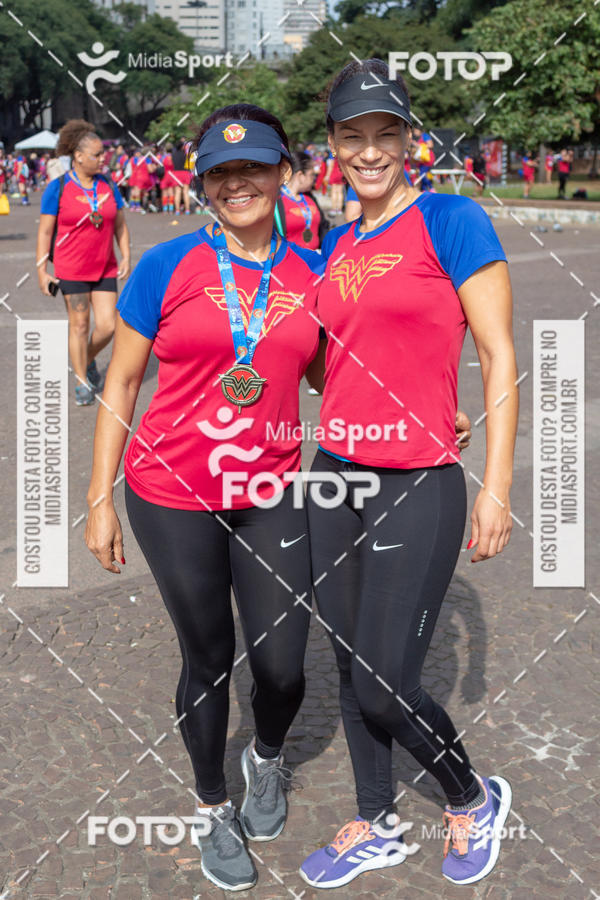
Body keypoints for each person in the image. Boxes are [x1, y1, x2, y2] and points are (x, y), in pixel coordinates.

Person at [84, 104, 326, 893]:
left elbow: (327, 372)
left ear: (282, 173)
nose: (238, 182)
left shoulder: (310, 271)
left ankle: (264, 758)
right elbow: (121, 381)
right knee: (210, 658)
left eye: (254, 166)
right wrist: (98, 496)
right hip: (171, 493)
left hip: (272, 490)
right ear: (204, 184)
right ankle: (212, 806)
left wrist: (422, 411)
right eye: (222, 172)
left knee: (284, 668)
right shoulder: (167, 265)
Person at [299, 58, 518, 890]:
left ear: (409, 140)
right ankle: (377, 817)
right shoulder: (335, 240)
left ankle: (471, 796)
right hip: (335, 475)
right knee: (350, 658)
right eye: (352, 137)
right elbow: (332, 367)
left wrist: (495, 484)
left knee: (385, 680)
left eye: (384, 134)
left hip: (416, 479)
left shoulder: (451, 219)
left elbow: (498, 356)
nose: (369, 151)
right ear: (333, 147)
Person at [37, 119, 131, 405]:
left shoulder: (108, 184)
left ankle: (86, 359)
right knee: (79, 324)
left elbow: (120, 225)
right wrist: (41, 270)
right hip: (71, 267)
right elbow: (44, 231)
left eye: (103, 154)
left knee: (109, 326)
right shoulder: (59, 187)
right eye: (97, 155)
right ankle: (81, 379)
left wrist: (126, 254)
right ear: (78, 157)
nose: (103, 159)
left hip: (104, 266)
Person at [275, 150, 327, 249]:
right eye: (312, 175)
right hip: (290, 260)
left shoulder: (309, 196)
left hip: (315, 258)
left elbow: (323, 226)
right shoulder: (276, 200)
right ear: (300, 176)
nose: (314, 179)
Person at [170, 139, 192, 214]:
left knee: (177, 192)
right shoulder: (185, 155)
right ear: (182, 147)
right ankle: (187, 210)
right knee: (186, 192)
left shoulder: (173, 155)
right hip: (185, 173)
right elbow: (189, 165)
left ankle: (177, 210)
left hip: (176, 174)